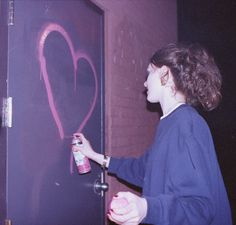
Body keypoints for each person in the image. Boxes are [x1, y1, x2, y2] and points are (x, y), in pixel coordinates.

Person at [73, 43, 232, 225]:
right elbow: (144, 170)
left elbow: (200, 207)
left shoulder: (186, 124)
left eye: (149, 72)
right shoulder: (171, 123)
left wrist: (146, 208)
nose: (145, 82)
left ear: (165, 74)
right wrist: (93, 155)